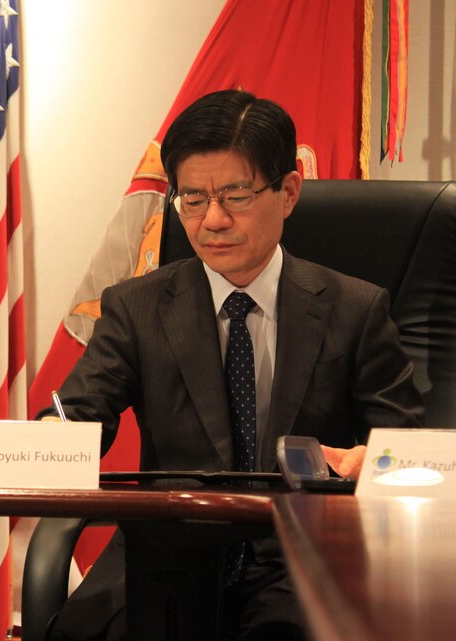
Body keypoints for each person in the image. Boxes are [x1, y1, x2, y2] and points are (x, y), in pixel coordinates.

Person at [40, 89, 423, 641]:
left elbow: (408, 445)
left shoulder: (356, 309)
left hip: (303, 554)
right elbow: (78, 416)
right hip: (169, 555)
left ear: (288, 191)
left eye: (236, 195)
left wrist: (376, 460)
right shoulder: (135, 306)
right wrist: (51, 435)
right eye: (192, 199)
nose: (212, 220)